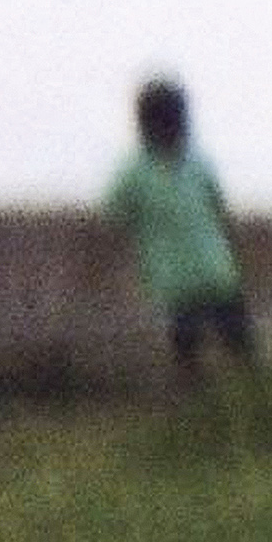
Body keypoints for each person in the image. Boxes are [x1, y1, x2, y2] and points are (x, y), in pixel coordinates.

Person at [104, 78, 256, 384]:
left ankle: (251, 411)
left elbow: (219, 210)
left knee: (243, 351)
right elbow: (113, 214)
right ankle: (194, 420)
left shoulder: (200, 163)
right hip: (176, 281)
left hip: (217, 273)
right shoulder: (133, 172)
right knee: (188, 358)